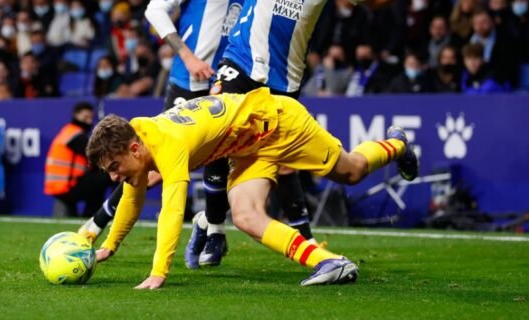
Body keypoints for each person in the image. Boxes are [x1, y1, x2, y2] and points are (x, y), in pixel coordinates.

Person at [192, 0, 429, 263]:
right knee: (214, 128)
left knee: (336, 170)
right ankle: (212, 229)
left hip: (285, 85)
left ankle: (395, 147)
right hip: (240, 64)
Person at [84, 89, 418, 289]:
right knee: (245, 215)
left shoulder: (169, 144)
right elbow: (133, 193)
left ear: (134, 150)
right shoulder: (138, 134)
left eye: (114, 168)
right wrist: (110, 246)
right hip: (249, 148)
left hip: (281, 125)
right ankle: (331, 263)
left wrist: (158, 272)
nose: (114, 177)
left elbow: (171, 210)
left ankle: (397, 145)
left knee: (352, 171)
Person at [80, 0, 260, 269]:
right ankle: (100, 224)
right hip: (187, 79)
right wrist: (188, 55)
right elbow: (155, 9)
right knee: (148, 166)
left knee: (220, 157)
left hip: (228, 80)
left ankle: (215, 232)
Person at [43, 102, 112, 217]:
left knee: (99, 178)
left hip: (61, 185)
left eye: (90, 118)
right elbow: (95, 156)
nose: (89, 121)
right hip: (67, 186)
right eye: (85, 117)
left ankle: (92, 213)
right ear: (76, 115)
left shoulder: (67, 132)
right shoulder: (75, 136)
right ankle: (92, 215)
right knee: (107, 175)